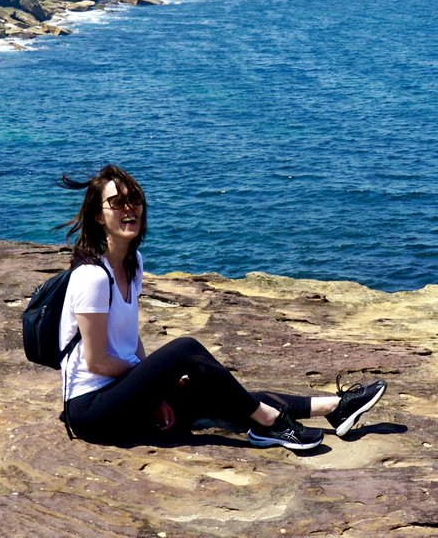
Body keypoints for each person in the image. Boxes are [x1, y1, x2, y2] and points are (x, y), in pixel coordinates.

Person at [57, 164, 386, 450]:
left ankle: (333, 407)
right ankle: (269, 423)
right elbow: (97, 362)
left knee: (217, 389)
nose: (129, 208)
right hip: (93, 410)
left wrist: (153, 384)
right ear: (99, 216)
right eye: (117, 202)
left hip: (123, 396)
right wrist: (153, 382)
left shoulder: (133, 263)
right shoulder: (92, 277)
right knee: (186, 349)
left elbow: (130, 339)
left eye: (135, 199)